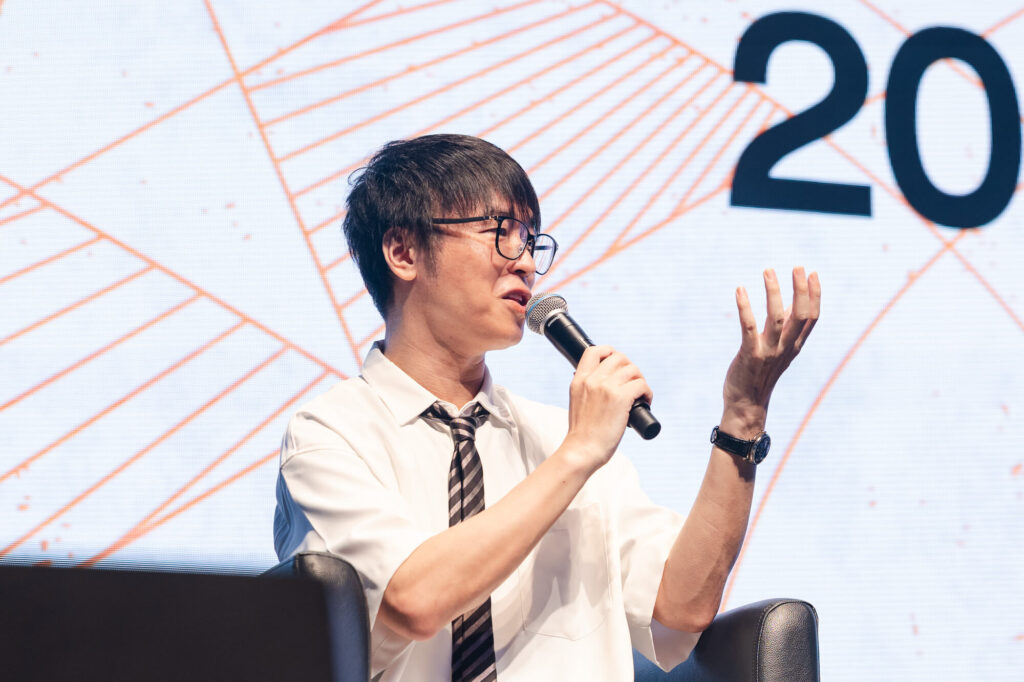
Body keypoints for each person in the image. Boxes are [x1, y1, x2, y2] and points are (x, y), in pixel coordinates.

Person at [273, 134, 821, 681]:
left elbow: (681, 606)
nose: (526, 264)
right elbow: (412, 599)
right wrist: (577, 454)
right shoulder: (329, 434)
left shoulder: (561, 436)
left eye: (531, 240)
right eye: (500, 233)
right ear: (403, 252)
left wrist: (743, 418)